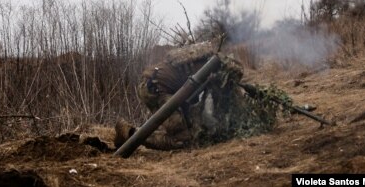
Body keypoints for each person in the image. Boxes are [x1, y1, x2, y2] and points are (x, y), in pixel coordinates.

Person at [114, 41, 277, 150]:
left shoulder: (203, 58)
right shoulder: (210, 68)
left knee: (185, 126)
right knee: (182, 139)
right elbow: (208, 101)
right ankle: (130, 135)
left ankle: (131, 138)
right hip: (155, 90)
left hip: (155, 84)